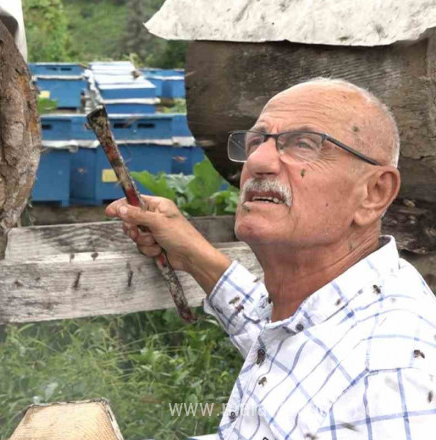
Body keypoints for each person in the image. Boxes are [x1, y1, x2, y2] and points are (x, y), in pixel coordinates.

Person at [106, 78, 436, 439]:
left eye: (305, 144)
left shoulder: (392, 374)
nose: (258, 161)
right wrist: (191, 251)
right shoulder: (343, 304)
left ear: (374, 192)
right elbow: (291, 341)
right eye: (256, 141)